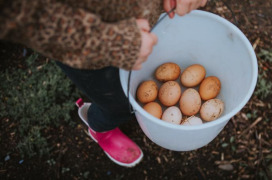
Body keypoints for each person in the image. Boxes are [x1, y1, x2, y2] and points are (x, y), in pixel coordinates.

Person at [0, 0, 207, 167]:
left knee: (134, 94)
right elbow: (19, 11)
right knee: (118, 103)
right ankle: (100, 127)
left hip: (147, 20)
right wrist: (110, 41)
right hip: (92, 50)